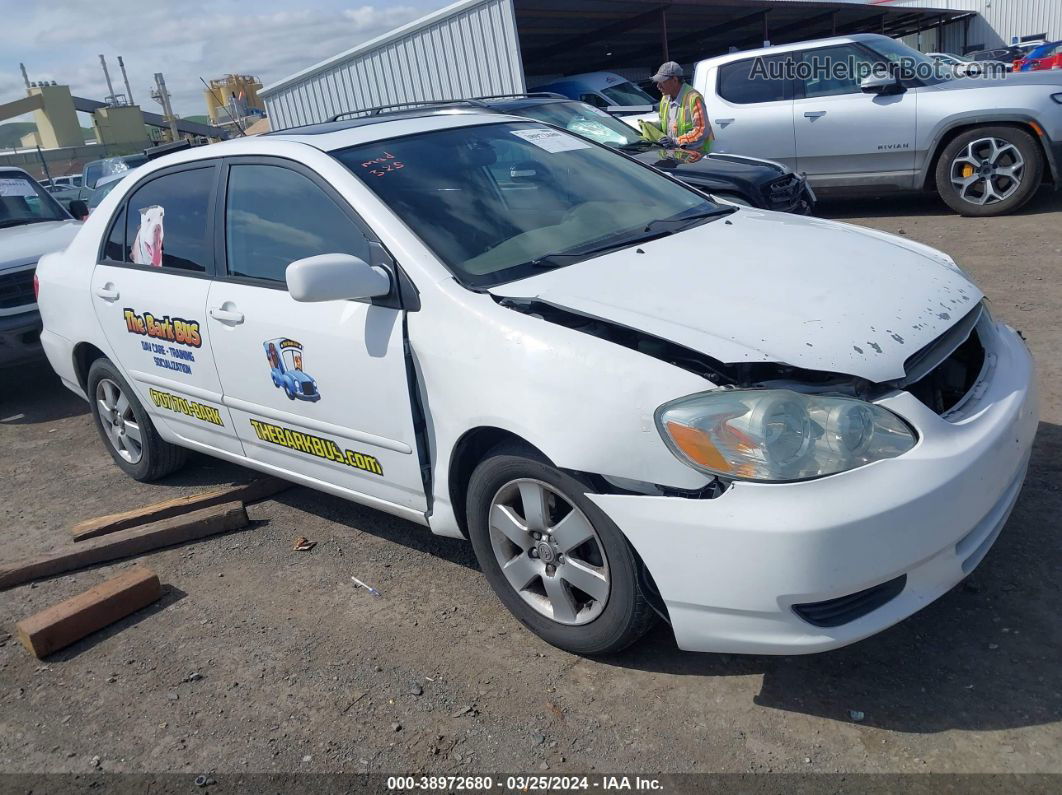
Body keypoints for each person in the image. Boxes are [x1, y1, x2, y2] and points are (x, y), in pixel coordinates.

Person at [645, 61, 713, 152]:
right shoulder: (665, 99)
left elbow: (701, 131)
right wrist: (650, 127)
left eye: (662, 81)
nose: (658, 86)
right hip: (675, 154)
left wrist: (676, 141)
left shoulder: (693, 98)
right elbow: (665, 123)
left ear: (675, 80)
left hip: (695, 156)